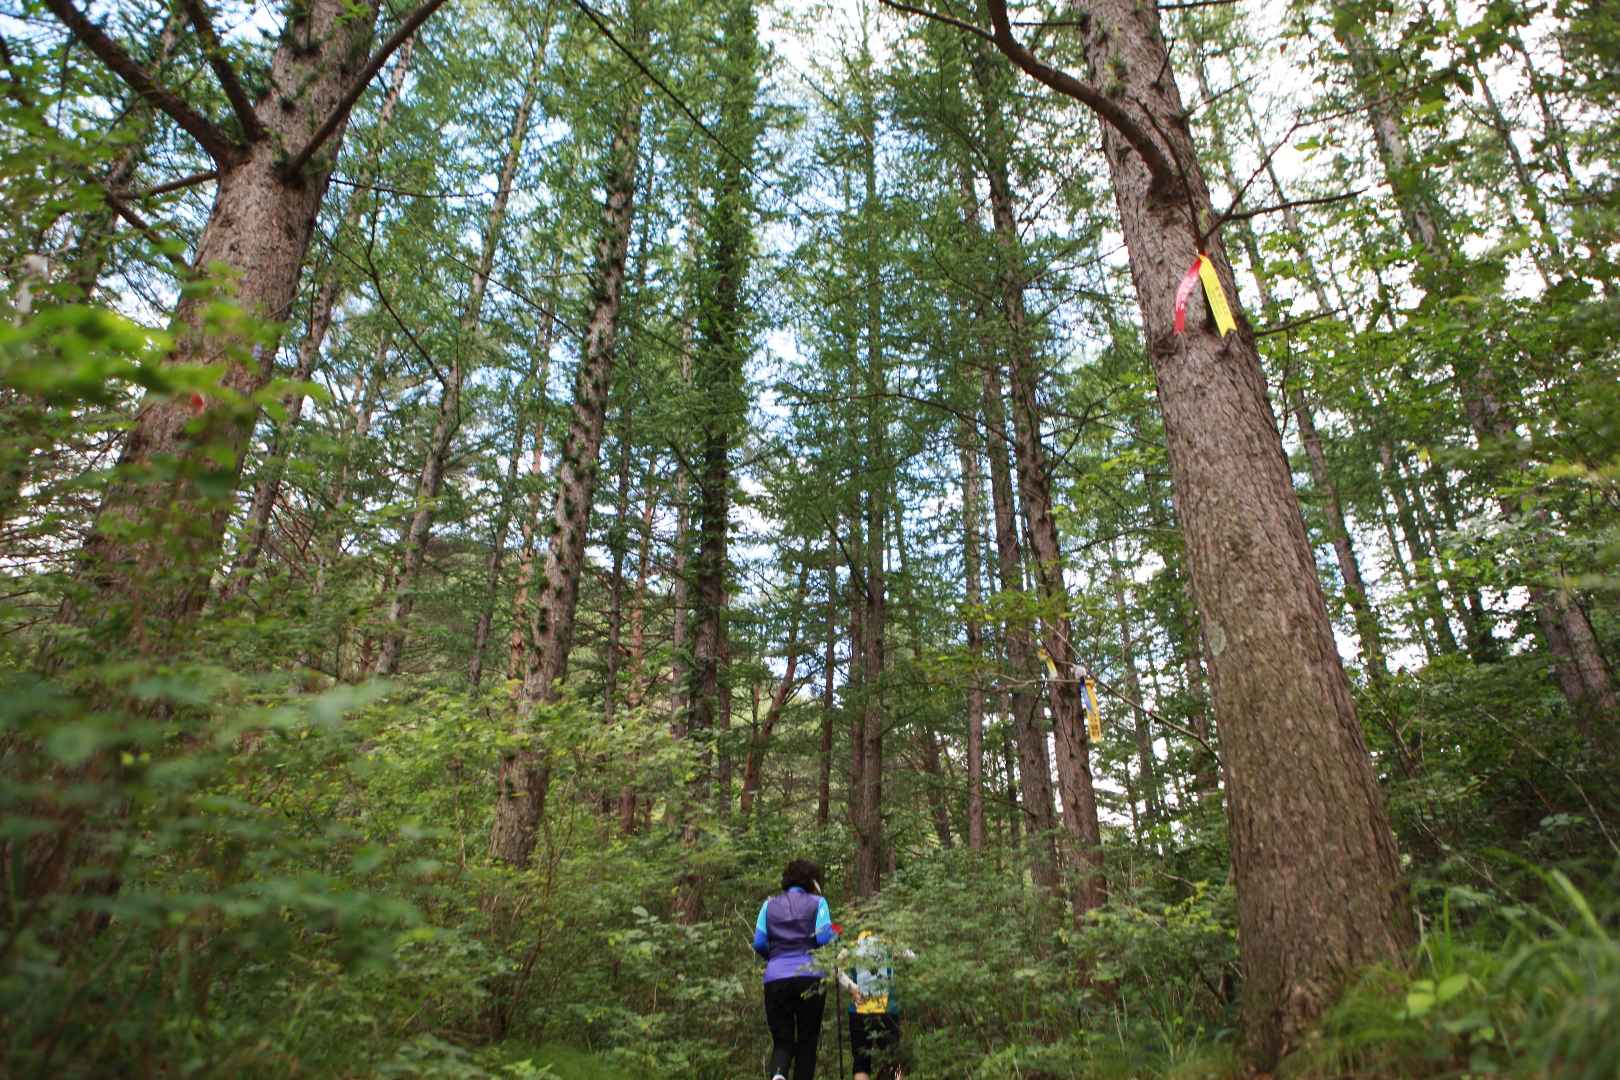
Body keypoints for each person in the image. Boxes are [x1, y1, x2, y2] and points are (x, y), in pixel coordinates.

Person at [753, 859, 839, 1080]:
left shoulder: (768, 905)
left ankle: (779, 1075)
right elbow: (822, 937)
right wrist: (835, 934)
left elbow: (759, 943)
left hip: (775, 978)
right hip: (810, 977)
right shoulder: (818, 902)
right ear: (812, 882)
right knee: (807, 1041)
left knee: (782, 1041)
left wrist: (774, 959)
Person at [839, 929, 912, 1080]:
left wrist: (851, 987)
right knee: (895, 1061)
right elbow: (913, 958)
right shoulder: (889, 943)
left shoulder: (852, 946)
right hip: (887, 1010)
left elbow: (834, 967)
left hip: (858, 1011)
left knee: (860, 1064)